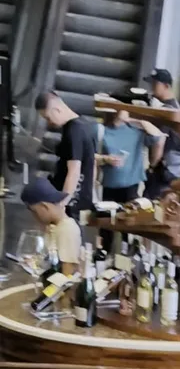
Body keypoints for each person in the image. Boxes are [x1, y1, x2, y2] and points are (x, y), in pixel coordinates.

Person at [34, 92, 95, 220]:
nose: (49, 123)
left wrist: (62, 204)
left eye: (48, 118)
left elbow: (74, 171)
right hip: (79, 198)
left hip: (72, 203)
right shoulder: (83, 124)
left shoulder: (74, 131)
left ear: (56, 110)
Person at [98, 107, 165, 205]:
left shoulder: (136, 132)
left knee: (130, 214)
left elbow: (158, 136)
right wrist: (106, 159)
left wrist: (133, 120)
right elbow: (93, 156)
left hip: (131, 185)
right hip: (109, 184)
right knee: (107, 216)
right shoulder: (102, 131)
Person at [20, 176, 82, 270]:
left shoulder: (67, 230)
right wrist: (34, 263)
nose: (34, 216)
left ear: (44, 207)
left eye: (34, 212)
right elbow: (49, 259)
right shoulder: (54, 227)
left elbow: (68, 271)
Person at [143, 69, 180, 198]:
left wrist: (152, 166)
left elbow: (160, 141)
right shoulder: (175, 106)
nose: (152, 88)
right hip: (170, 167)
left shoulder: (166, 110)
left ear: (166, 86)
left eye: (155, 84)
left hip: (162, 168)